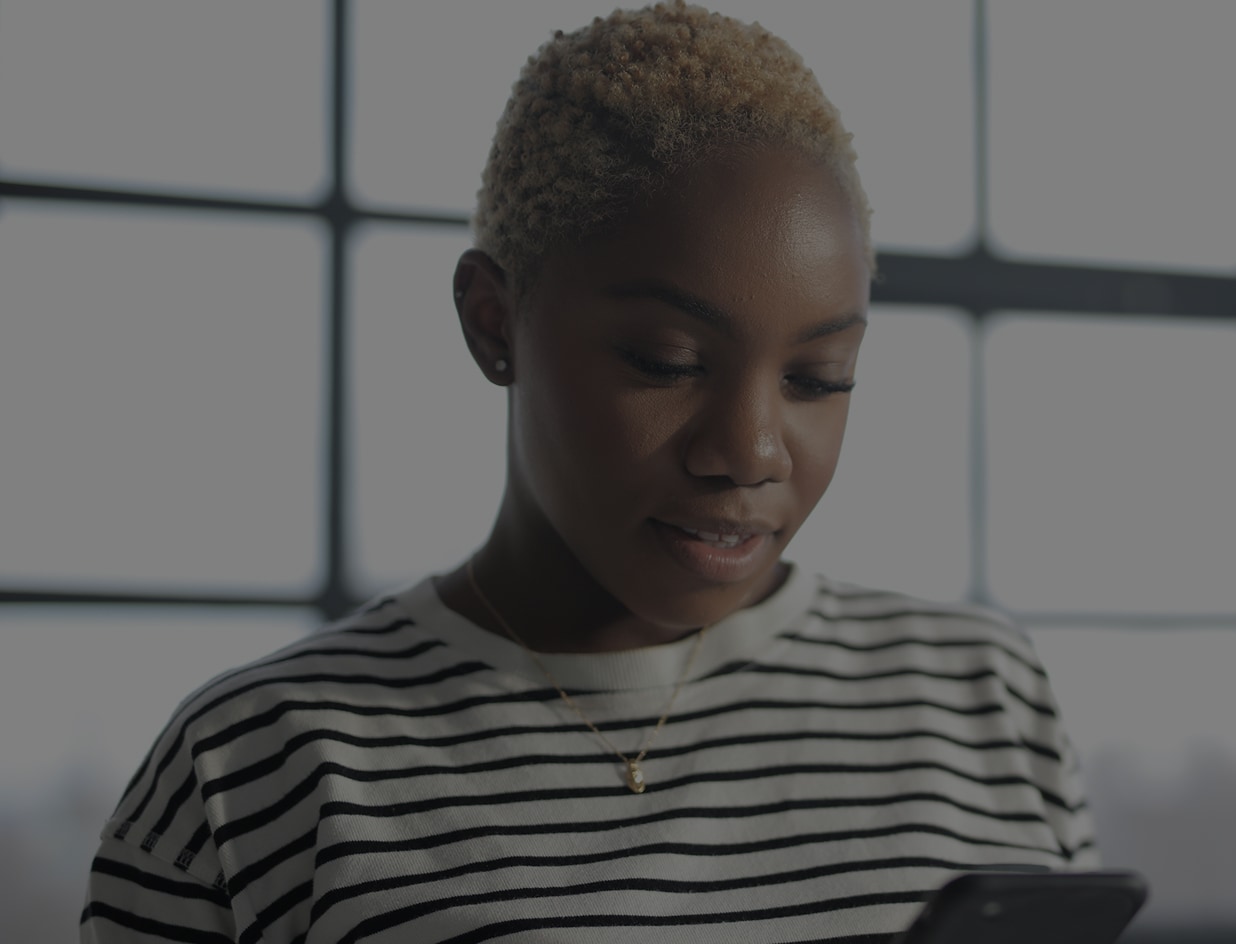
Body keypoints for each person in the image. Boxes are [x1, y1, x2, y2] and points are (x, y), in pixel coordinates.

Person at [79, 4, 1099, 941]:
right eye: (667, 361)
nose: (748, 450)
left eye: (817, 376)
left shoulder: (983, 695)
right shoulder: (256, 765)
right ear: (493, 320)